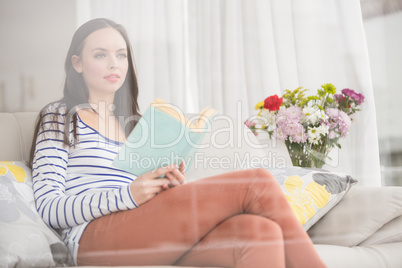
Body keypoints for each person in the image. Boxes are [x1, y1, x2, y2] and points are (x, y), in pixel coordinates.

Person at [29, 18, 326, 268]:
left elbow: (142, 198)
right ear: (77, 63)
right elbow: (49, 207)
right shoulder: (59, 117)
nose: (114, 63)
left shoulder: (135, 123)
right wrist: (129, 195)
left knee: (260, 231)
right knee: (257, 182)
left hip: (142, 224)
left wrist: (165, 187)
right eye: (100, 55)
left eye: (121, 55)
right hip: (92, 237)